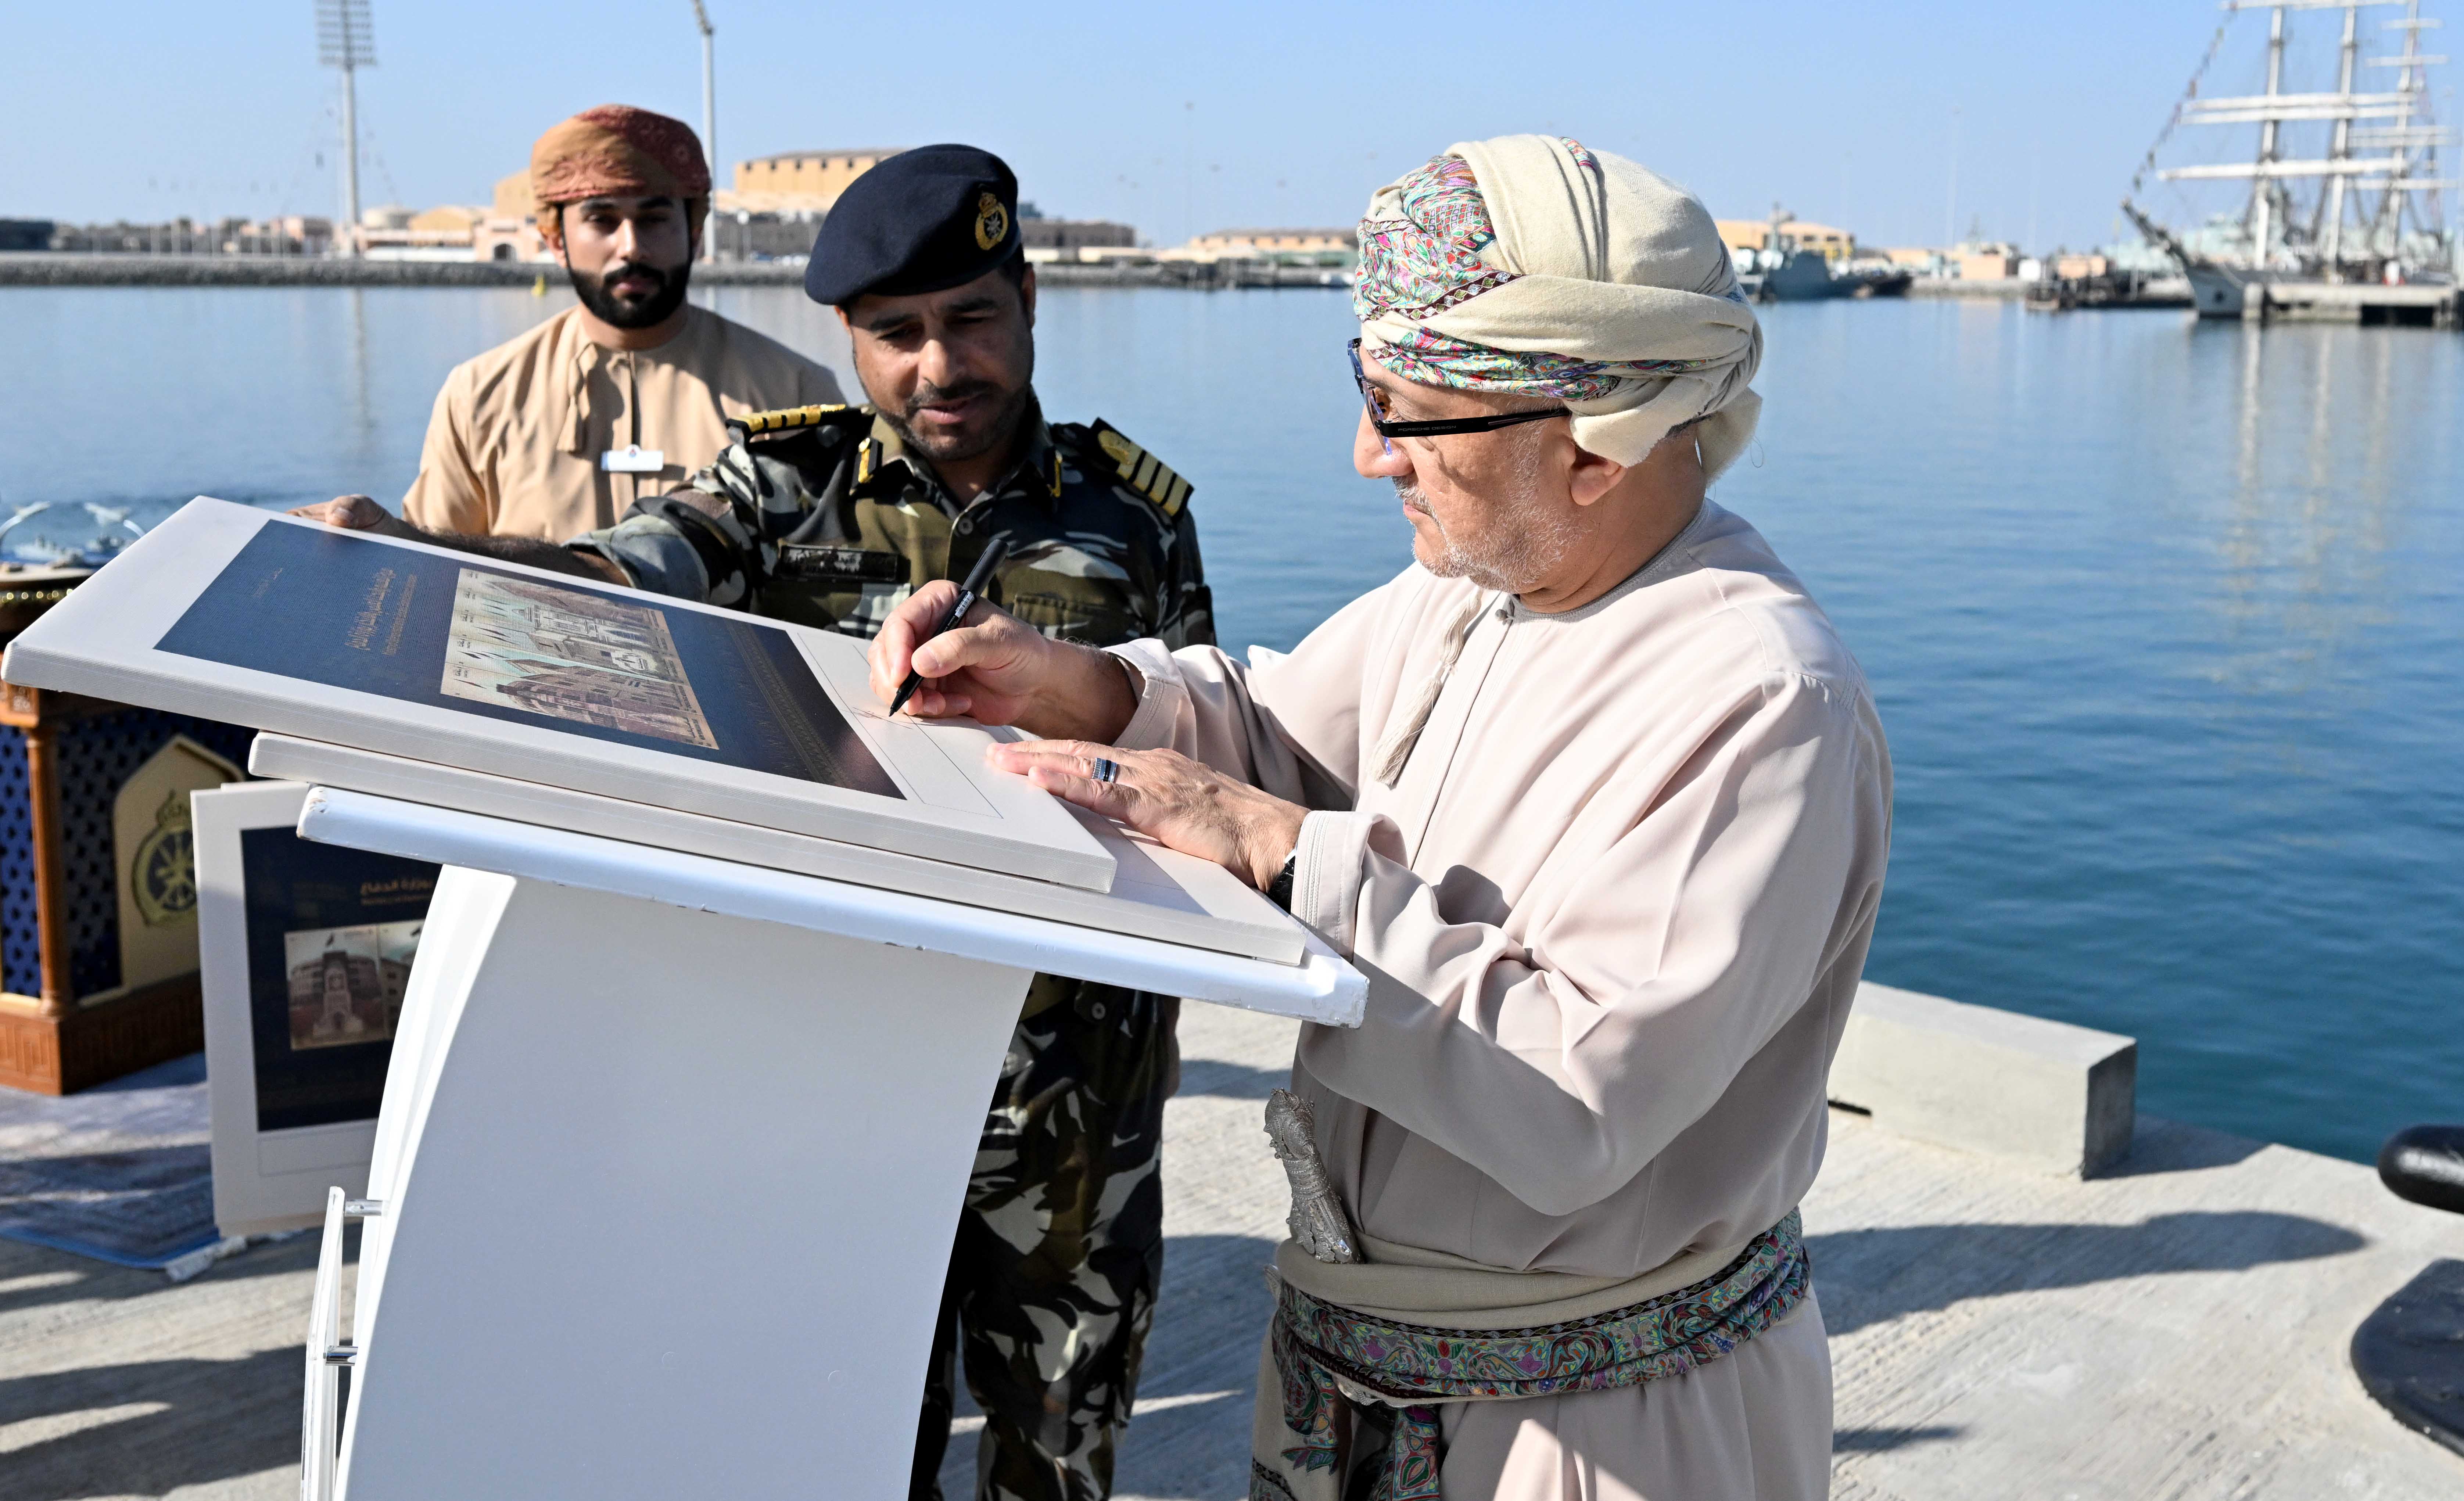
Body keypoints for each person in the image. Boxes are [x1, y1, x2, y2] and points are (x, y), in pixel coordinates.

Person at [868, 135, 1891, 1501]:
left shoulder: (1761, 700)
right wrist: (1077, 687)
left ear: (1592, 447)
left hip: (1591, 1432)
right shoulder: (1478, 585)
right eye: (1367, 390)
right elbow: (1283, 735)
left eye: (1404, 413)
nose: (1367, 456)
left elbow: (1576, 1099)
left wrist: (1285, 852)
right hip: (1362, 1379)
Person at [295, 144, 1215, 1501]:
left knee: (1060, 1456)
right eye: (895, 334)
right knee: (846, 1444)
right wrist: (423, 554)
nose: (938, 366)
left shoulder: (1137, 518)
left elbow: (1193, 761)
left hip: (1077, 1091)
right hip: (840, 1079)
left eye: (970, 319)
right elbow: (610, 582)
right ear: (846, 337)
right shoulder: (786, 489)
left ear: (1027, 299)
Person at [362, 104, 844, 545]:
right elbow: (430, 569)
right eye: (602, 221)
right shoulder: (481, 397)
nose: (630, 247)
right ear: (556, 239)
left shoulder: (793, 393)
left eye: (653, 220)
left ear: (695, 232)